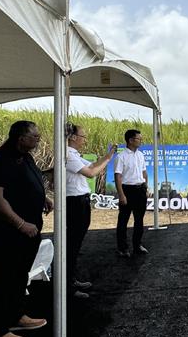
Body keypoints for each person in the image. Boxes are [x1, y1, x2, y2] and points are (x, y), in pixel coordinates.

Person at [0, 121, 52, 337]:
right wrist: (21, 224)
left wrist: (44, 198)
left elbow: (30, 182)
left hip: (29, 229)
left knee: (20, 276)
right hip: (10, 232)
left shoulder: (26, 156)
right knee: (5, 278)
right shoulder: (1, 161)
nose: (38, 139)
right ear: (21, 138)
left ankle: (16, 316)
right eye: (35, 136)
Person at [64, 123, 115, 298]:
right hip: (74, 203)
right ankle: (67, 286)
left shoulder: (74, 155)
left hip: (81, 201)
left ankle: (71, 279)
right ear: (72, 137)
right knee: (71, 245)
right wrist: (108, 159)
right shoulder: (68, 155)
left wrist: (107, 156)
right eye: (83, 136)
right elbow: (92, 172)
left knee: (75, 244)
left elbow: (93, 164)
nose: (85, 140)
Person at [114, 128, 149, 258]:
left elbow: (144, 172)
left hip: (140, 190)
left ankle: (137, 245)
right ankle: (122, 248)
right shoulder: (121, 157)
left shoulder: (140, 155)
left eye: (140, 138)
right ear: (130, 140)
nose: (140, 141)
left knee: (139, 220)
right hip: (127, 190)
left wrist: (146, 187)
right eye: (138, 139)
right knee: (123, 220)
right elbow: (118, 177)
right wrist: (121, 195)